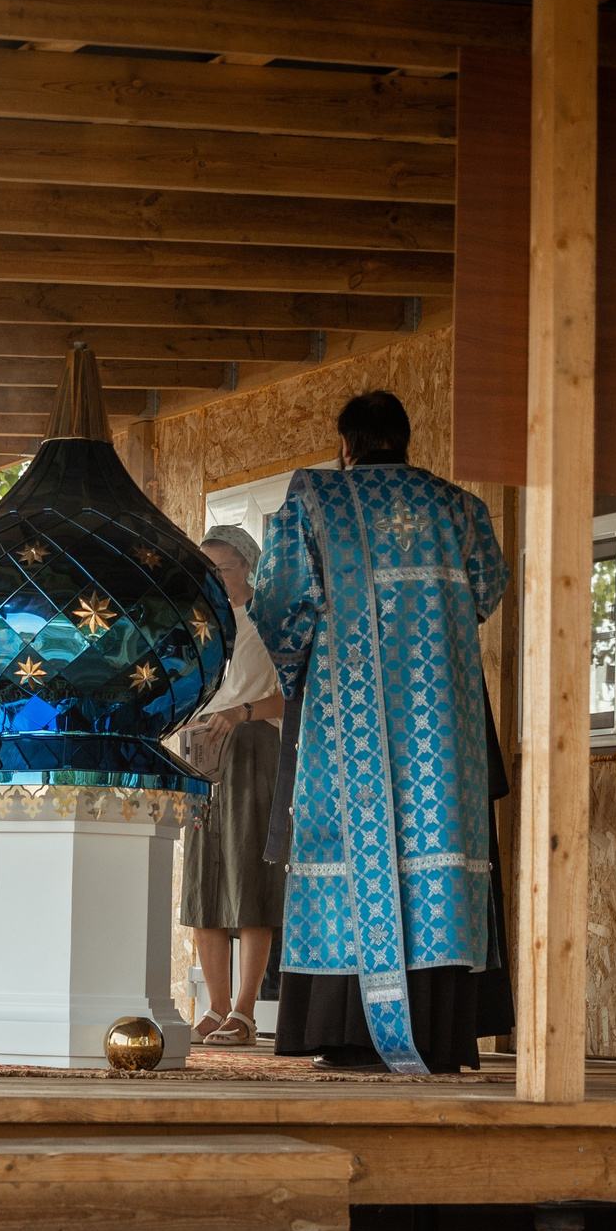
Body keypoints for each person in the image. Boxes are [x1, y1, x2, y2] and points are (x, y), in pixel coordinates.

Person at [251, 390, 513, 1074]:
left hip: (348, 717)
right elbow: (489, 587)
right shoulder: (458, 508)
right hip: (440, 722)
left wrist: (297, 658)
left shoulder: (315, 502)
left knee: (347, 854)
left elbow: (278, 602)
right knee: (434, 852)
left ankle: (349, 1033)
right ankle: (436, 1033)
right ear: (405, 440)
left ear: (347, 445)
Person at [176, 525, 287, 1047]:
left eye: (218, 569)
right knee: (203, 877)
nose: (212, 580)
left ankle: (245, 1010)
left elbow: (292, 697)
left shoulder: (269, 622)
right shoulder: (196, 627)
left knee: (248, 872)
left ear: (246, 567)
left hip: (252, 747)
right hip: (201, 755)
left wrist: (242, 712)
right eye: (206, 572)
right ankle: (214, 1007)